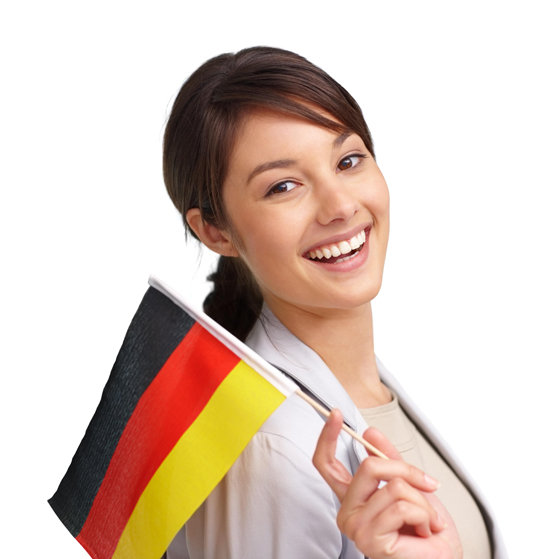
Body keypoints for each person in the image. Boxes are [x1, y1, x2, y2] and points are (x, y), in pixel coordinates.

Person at [162, 46, 506, 558]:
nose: (341, 205)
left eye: (348, 160)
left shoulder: (369, 390)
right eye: (283, 186)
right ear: (216, 231)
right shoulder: (269, 450)